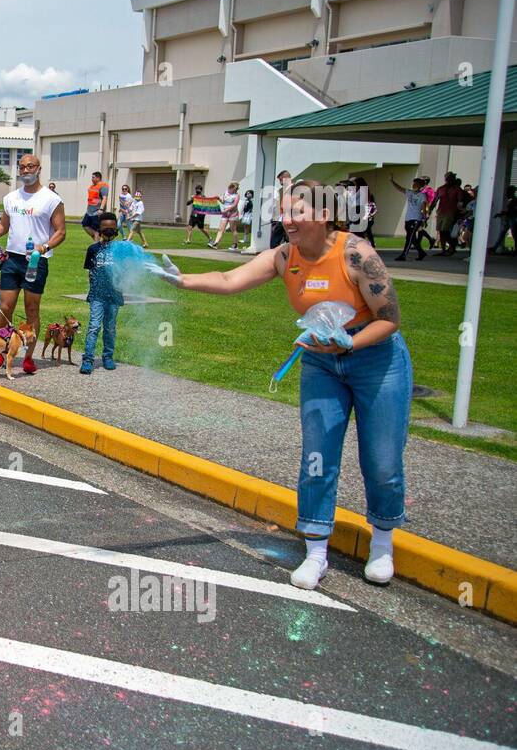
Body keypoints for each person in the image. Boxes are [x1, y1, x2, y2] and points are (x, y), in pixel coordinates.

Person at [153, 180, 409, 591]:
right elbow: (229, 278)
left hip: (376, 360)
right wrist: (182, 281)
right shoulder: (284, 256)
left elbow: (389, 318)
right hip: (321, 363)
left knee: (381, 460)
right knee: (317, 457)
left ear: (324, 215)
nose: (286, 220)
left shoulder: (357, 255)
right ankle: (316, 551)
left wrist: (350, 342)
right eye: (284, 212)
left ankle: (382, 543)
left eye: (296, 213)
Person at [0, 153, 66, 376]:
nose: (26, 171)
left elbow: (61, 232)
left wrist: (44, 247)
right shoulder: (11, 198)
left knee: (31, 309)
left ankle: (27, 357)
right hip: (12, 259)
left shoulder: (51, 199)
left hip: (36, 261)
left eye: (30, 166)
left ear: (39, 168)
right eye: (22, 167)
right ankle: (1, 351)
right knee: (4, 307)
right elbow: (2, 227)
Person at [79, 213, 125, 374]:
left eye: (112, 229)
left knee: (110, 328)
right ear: (99, 229)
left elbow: (125, 271)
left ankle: (108, 357)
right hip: (97, 296)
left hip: (114, 295)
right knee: (94, 327)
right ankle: (88, 359)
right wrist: (93, 290)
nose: (109, 231)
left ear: (117, 229)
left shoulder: (121, 250)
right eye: (106, 229)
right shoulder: (93, 249)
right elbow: (90, 272)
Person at [390, 176, 431, 261]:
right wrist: (392, 181)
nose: (414, 185)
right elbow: (400, 189)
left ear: (420, 186)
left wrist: (424, 219)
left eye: (416, 184)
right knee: (412, 238)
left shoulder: (422, 195)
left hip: (416, 219)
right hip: (408, 218)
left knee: (409, 237)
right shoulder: (410, 192)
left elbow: (424, 207)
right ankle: (421, 252)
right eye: (413, 183)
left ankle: (404, 255)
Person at [430, 172, 465, 256]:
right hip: (441, 212)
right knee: (440, 231)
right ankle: (444, 249)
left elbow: (460, 202)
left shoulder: (457, 189)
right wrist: (429, 211)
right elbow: (435, 200)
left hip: (451, 213)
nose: (449, 180)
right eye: (448, 178)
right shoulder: (441, 189)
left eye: (451, 178)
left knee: (445, 230)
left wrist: (460, 213)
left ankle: (452, 246)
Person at [210, 181, 242, 251]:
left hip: (233, 214)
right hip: (225, 214)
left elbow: (234, 205)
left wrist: (227, 210)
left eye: (236, 189)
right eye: (233, 189)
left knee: (233, 229)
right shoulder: (226, 193)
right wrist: (219, 199)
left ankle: (235, 244)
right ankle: (216, 243)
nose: (234, 190)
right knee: (221, 229)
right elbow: (224, 202)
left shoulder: (237, 195)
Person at [82, 171, 108, 242]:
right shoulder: (92, 186)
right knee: (85, 225)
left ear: (98, 178)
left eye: (93, 177)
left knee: (97, 229)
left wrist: (101, 209)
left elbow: (104, 198)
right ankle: (99, 242)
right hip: (89, 211)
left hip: (97, 212)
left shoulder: (103, 186)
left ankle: (96, 246)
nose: (92, 179)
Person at [269, 170, 292, 249]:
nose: (280, 182)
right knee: (286, 239)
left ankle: (274, 255)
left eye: (280, 180)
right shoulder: (287, 188)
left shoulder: (291, 188)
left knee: (274, 241)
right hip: (283, 217)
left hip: (286, 217)